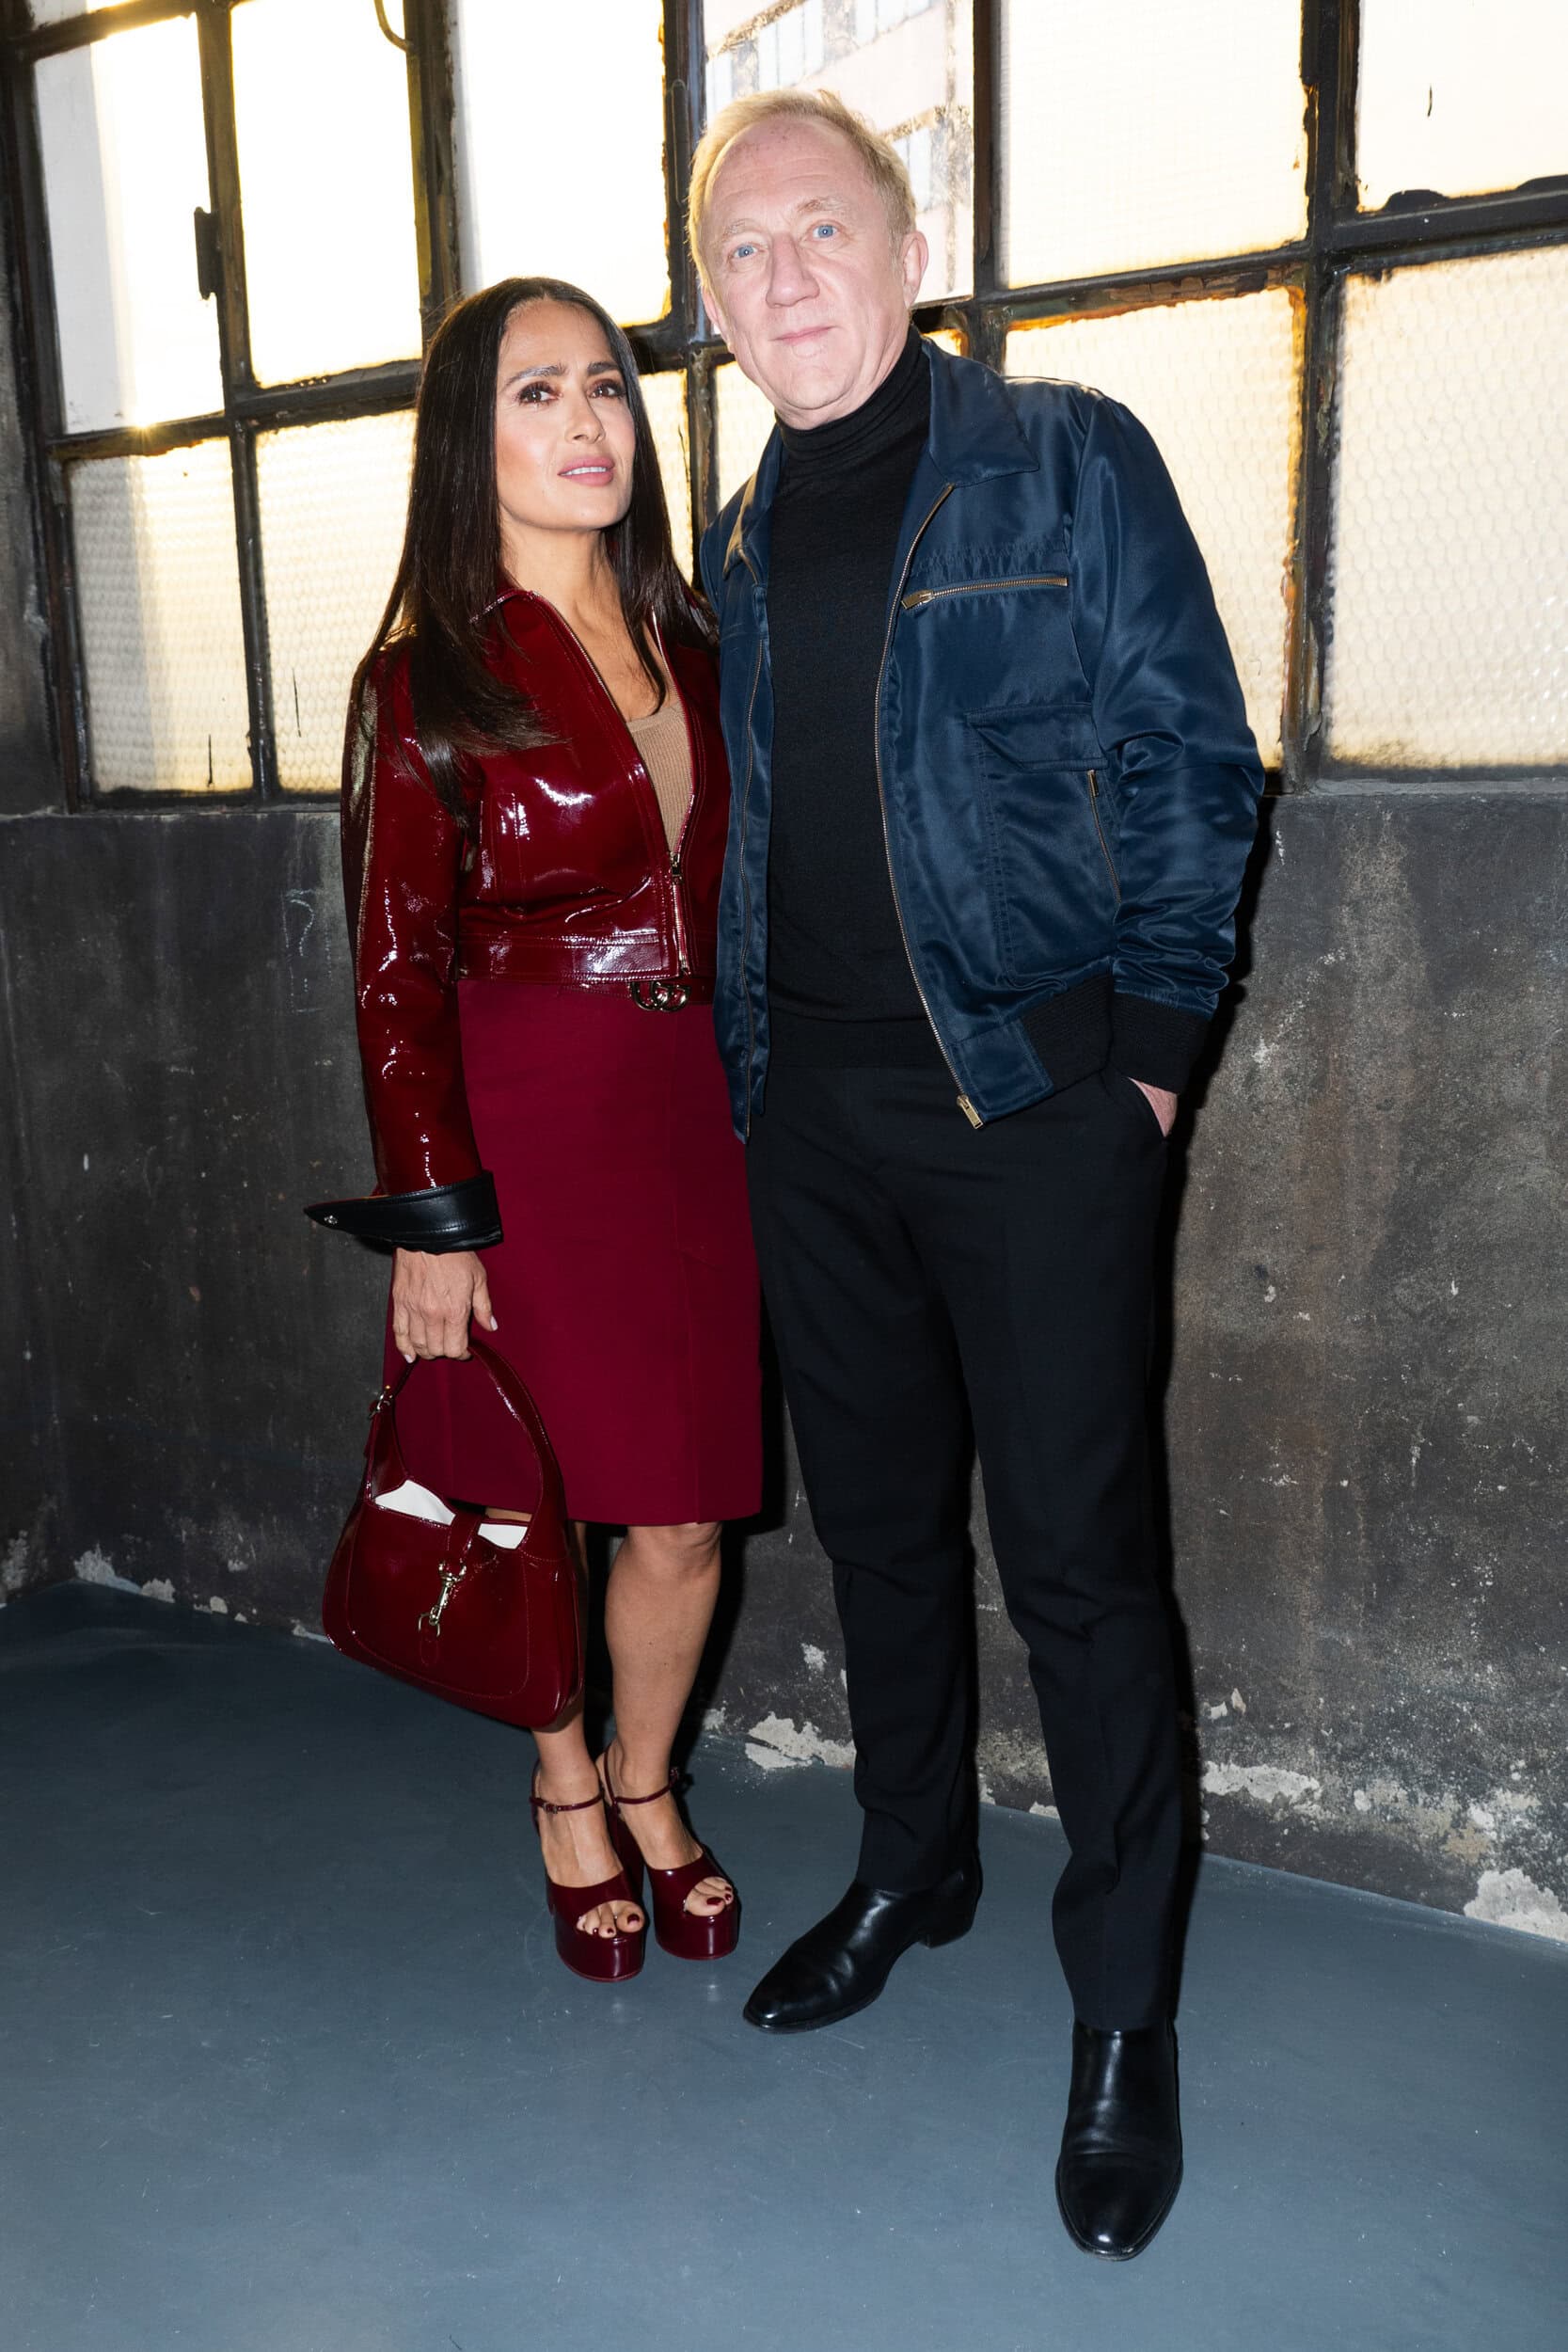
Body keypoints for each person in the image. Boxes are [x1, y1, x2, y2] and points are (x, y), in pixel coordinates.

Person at [688, 91, 1262, 2258]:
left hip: (1034, 1108)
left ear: (907, 254)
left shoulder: (1064, 460)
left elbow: (1190, 750)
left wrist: (1151, 1067)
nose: (785, 276)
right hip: (813, 1121)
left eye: (820, 229)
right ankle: (913, 1859)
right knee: (881, 1535)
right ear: (716, 307)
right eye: (742, 252)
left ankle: (1123, 2009)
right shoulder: (736, 548)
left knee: (1084, 1566)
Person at [338, 278, 760, 1985]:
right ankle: (567, 1786)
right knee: (543, 1495)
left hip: (702, 1117)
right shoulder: (422, 685)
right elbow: (391, 977)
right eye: (537, 393)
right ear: (471, 439)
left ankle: (650, 1778)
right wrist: (437, 1226)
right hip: (528, 1124)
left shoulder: (704, 651)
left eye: (607, 387)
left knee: (686, 1513)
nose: (588, 422)